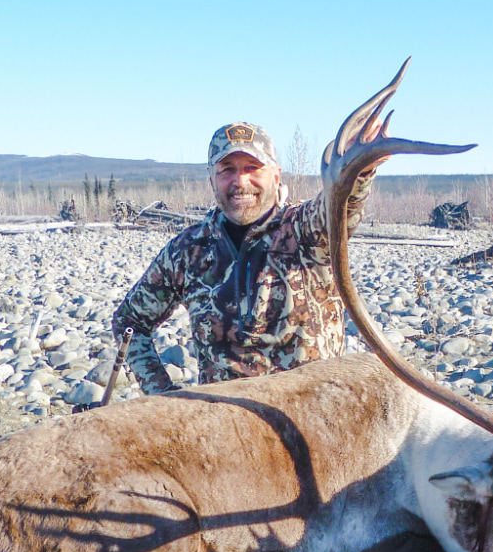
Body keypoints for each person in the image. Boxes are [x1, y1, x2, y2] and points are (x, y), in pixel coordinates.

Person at [111, 122, 381, 394]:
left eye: (252, 168)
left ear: (276, 176)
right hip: (225, 426)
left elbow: (341, 207)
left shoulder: (307, 230)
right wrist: (163, 397)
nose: (240, 182)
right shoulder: (187, 251)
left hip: (312, 420)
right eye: (227, 170)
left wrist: (358, 171)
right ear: (212, 179)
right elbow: (130, 322)